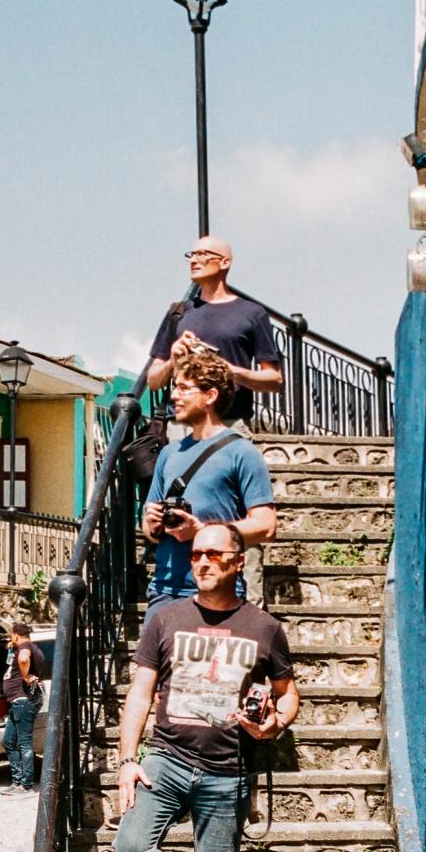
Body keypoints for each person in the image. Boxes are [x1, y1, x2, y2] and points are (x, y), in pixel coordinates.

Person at [113, 521, 299, 852]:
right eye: (196, 554)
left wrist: (273, 725)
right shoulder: (165, 617)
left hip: (227, 771)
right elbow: (141, 692)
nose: (203, 562)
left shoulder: (264, 628)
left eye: (215, 554)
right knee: (130, 847)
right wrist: (128, 760)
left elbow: (287, 693)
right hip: (166, 761)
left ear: (239, 561)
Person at [141, 349, 277, 606]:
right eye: (175, 387)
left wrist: (203, 531)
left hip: (218, 593)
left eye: (184, 388)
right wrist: (153, 523)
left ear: (210, 396)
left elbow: (266, 525)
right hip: (164, 591)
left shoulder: (241, 452)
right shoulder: (169, 453)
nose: (174, 396)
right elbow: (149, 530)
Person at [144, 236, 283, 429]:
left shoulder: (252, 313)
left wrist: (232, 372)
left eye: (202, 254)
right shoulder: (178, 312)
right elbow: (153, 381)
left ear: (225, 262)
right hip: (180, 425)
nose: (194, 261)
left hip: (229, 424)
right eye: (191, 255)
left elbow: (274, 380)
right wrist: (172, 362)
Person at [0, 622, 50, 798]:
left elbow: (23, 659)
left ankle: (26, 785)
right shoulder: (30, 646)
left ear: (16, 635)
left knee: (24, 742)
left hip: (23, 701)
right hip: (19, 701)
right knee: (9, 741)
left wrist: (25, 676)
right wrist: (12, 647)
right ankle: (17, 781)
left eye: (11, 636)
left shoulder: (25, 647)